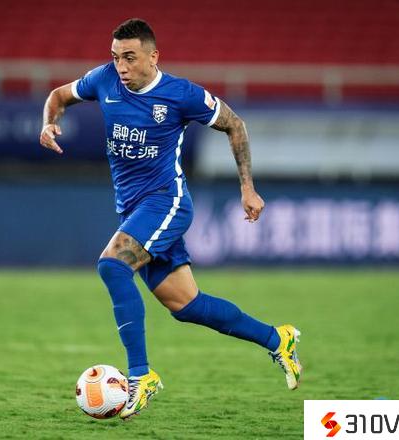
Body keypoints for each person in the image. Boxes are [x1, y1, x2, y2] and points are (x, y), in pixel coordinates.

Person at [40, 18, 301, 420]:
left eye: (129, 57)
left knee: (112, 266)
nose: (121, 66)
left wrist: (248, 188)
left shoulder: (181, 94)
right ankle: (277, 339)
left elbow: (235, 124)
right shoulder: (103, 79)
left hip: (167, 202)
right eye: (116, 57)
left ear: (153, 56)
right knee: (186, 305)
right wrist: (49, 122)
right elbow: (58, 96)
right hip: (133, 209)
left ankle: (140, 376)